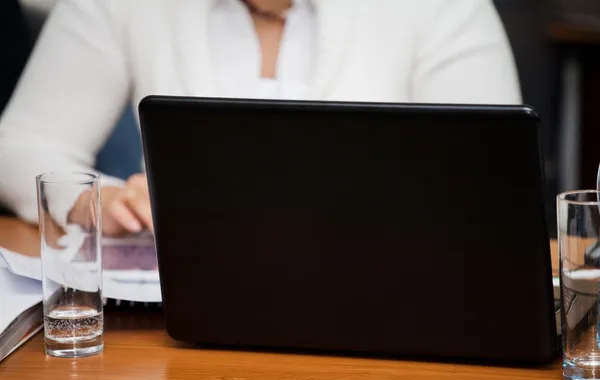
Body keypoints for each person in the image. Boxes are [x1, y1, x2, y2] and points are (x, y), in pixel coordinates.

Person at [0, 0, 521, 237]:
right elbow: (21, 143)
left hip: (389, 315)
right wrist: (97, 201)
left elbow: (491, 188)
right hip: (169, 326)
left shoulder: (448, 10)